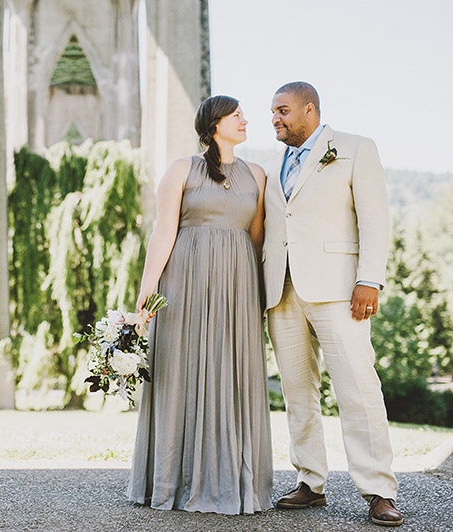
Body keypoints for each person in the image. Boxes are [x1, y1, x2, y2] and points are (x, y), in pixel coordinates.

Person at [262, 81, 402, 527]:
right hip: (281, 292)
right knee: (297, 390)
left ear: (309, 109)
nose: (275, 119)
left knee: (358, 389)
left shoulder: (355, 148)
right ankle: (309, 480)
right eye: (272, 113)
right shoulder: (272, 165)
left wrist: (370, 280)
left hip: (341, 291)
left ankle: (378, 489)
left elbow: (374, 218)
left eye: (282, 110)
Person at [127, 95, 273, 514]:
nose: (246, 120)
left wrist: (261, 293)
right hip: (185, 279)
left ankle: (232, 479)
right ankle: (173, 480)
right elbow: (162, 232)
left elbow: (257, 236)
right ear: (214, 124)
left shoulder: (257, 174)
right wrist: (147, 289)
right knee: (181, 367)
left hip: (238, 283)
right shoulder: (181, 170)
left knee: (232, 370)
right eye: (237, 115)